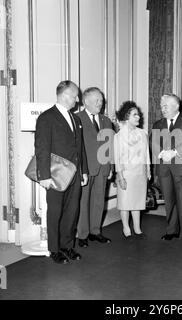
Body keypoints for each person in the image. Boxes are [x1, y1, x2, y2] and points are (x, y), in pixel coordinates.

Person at [35, 80, 88, 264]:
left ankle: (67, 246)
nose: (77, 100)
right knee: (55, 212)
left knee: (72, 212)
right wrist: (44, 176)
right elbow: (41, 148)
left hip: (75, 174)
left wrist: (84, 171)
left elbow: (80, 148)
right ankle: (54, 250)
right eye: (75, 96)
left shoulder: (76, 119)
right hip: (55, 175)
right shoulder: (46, 118)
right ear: (65, 95)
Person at [151, 94, 182, 245]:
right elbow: (153, 141)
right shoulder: (158, 123)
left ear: (176, 106)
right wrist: (161, 153)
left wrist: (174, 152)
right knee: (169, 200)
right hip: (165, 167)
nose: (162, 109)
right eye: (161, 106)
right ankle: (171, 230)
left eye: (165, 106)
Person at [76, 87, 113, 248]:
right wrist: (79, 169)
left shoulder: (106, 121)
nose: (101, 103)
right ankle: (82, 234)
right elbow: (76, 147)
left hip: (103, 168)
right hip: (85, 168)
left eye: (101, 100)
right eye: (97, 100)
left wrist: (111, 167)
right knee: (83, 202)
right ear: (86, 102)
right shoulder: (76, 119)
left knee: (99, 201)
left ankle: (95, 231)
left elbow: (110, 146)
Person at [114, 101, 151, 238]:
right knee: (125, 202)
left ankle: (137, 228)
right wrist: (120, 176)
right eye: (135, 115)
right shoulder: (118, 136)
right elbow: (117, 158)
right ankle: (126, 227)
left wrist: (148, 170)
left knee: (137, 201)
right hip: (126, 173)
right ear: (126, 117)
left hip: (139, 172)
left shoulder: (143, 134)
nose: (138, 118)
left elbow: (146, 153)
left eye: (138, 115)